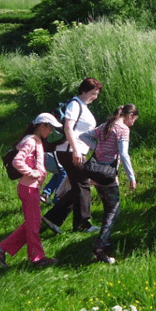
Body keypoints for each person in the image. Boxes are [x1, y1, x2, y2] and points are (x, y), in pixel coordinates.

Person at [0, 113, 62, 269]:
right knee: (33, 227)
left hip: (32, 188)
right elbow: (18, 161)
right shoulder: (31, 141)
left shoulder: (36, 140)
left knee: (33, 223)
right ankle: (37, 259)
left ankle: (1, 249)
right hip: (28, 189)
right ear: (42, 126)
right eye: (49, 128)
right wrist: (33, 173)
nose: (50, 132)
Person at [42, 77, 103, 234]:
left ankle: (53, 219)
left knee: (78, 187)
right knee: (83, 184)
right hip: (69, 151)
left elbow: (83, 133)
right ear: (83, 90)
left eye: (96, 94)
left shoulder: (82, 105)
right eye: (92, 93)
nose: (95, 97)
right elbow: (69, 128)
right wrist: (76, 150)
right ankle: (83, 224)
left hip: (74, 151)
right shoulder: (75, 104)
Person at [85, 104, 139, 264]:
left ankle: (105, 240)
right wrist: (131, 177)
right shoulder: (122, 129)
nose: (133, 123)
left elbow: (83, 136)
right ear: (129, 115)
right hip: (108, 175)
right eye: (134, 119)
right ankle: (100, 247)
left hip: (96, 174)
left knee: (110, 209)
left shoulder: (106, 125)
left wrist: (97, 148)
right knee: (113, 212)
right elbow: (124, 153)